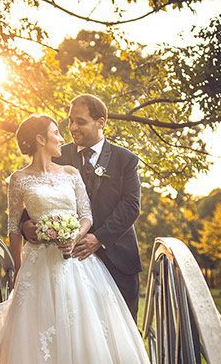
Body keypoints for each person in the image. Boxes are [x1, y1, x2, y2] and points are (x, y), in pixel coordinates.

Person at [0, 113, 169, 364]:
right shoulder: (19, 179)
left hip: (76, 258)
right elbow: (13, 225)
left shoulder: (73, 171)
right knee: (38, 331)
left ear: (100, 121)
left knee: (84, 329)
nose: (62, 136)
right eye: (55, 131)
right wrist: (21, 261)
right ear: (40, 139)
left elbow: (87, 213)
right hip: (38, 264)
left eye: (72, 125)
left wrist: (74, 235)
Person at [21, 94, 142, 319]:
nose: (73, 127)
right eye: (70, 121)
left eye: (80, 122)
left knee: (121, 334)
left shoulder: (125, 160)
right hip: (65, 263)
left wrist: (99, 238)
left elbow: (131, 205)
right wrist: (25, 224)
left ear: (101, 122)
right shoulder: (56, 154)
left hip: (117, 259)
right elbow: (36, 194)